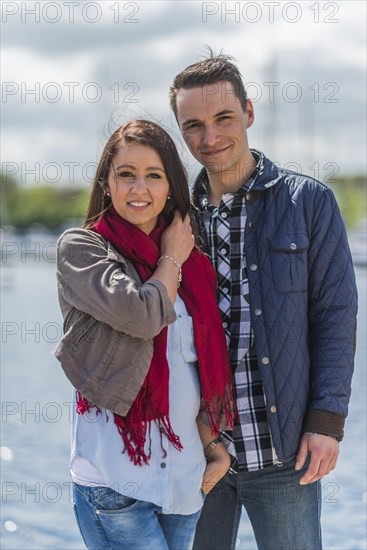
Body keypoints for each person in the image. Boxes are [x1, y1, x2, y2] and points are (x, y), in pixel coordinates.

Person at [169, 52, 358, 550]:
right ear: (181, 132)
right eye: (194, 125)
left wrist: (326, 424)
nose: (210, 138)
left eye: (223, 118)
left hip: (285, 448)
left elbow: (335, 315)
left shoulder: (309, 202)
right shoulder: (175, 219)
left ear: (249, 112)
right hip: (197, 449)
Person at [53, 119, 237, 550]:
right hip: (116, 477)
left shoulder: (193, 267)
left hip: (183, 475)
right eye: (126, 174)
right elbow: (141, 316)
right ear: (107, 183)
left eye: (153, 175)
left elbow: (189, 367)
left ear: (170, 185)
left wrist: (214, 446)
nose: (140, 189)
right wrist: (171, 257)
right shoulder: (83, 249)